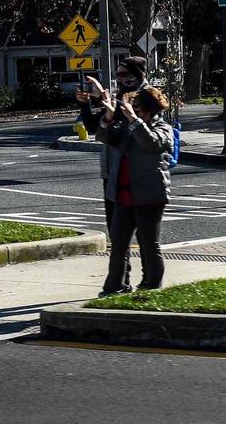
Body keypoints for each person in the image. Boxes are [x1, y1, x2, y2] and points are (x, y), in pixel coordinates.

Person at [76, 56, 149, 294]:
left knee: (146, 235)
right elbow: (96, 127)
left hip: (139, 176)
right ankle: (120, 282)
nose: (121, 79)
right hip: (112, 174)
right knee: (117, 234)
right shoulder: (118, 98)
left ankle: (149, 282)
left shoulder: (147, 96)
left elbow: (127, 116)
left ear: (138, 74)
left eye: (125, 75)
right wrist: (87, 103)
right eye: (118, 75)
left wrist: (104, 100)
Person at [95, 86, 174, 297]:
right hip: (123, 195)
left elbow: (152, 143)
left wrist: (134, 120)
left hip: (150, 195)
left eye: (137, 108)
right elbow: (105, 138)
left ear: (149, 111)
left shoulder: (163, 128)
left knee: (148, 242)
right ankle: (115, 286)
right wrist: (109, 118)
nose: (132, 111)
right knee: (119, 243)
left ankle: (152, 284)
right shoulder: (128, 127)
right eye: (133, 108)